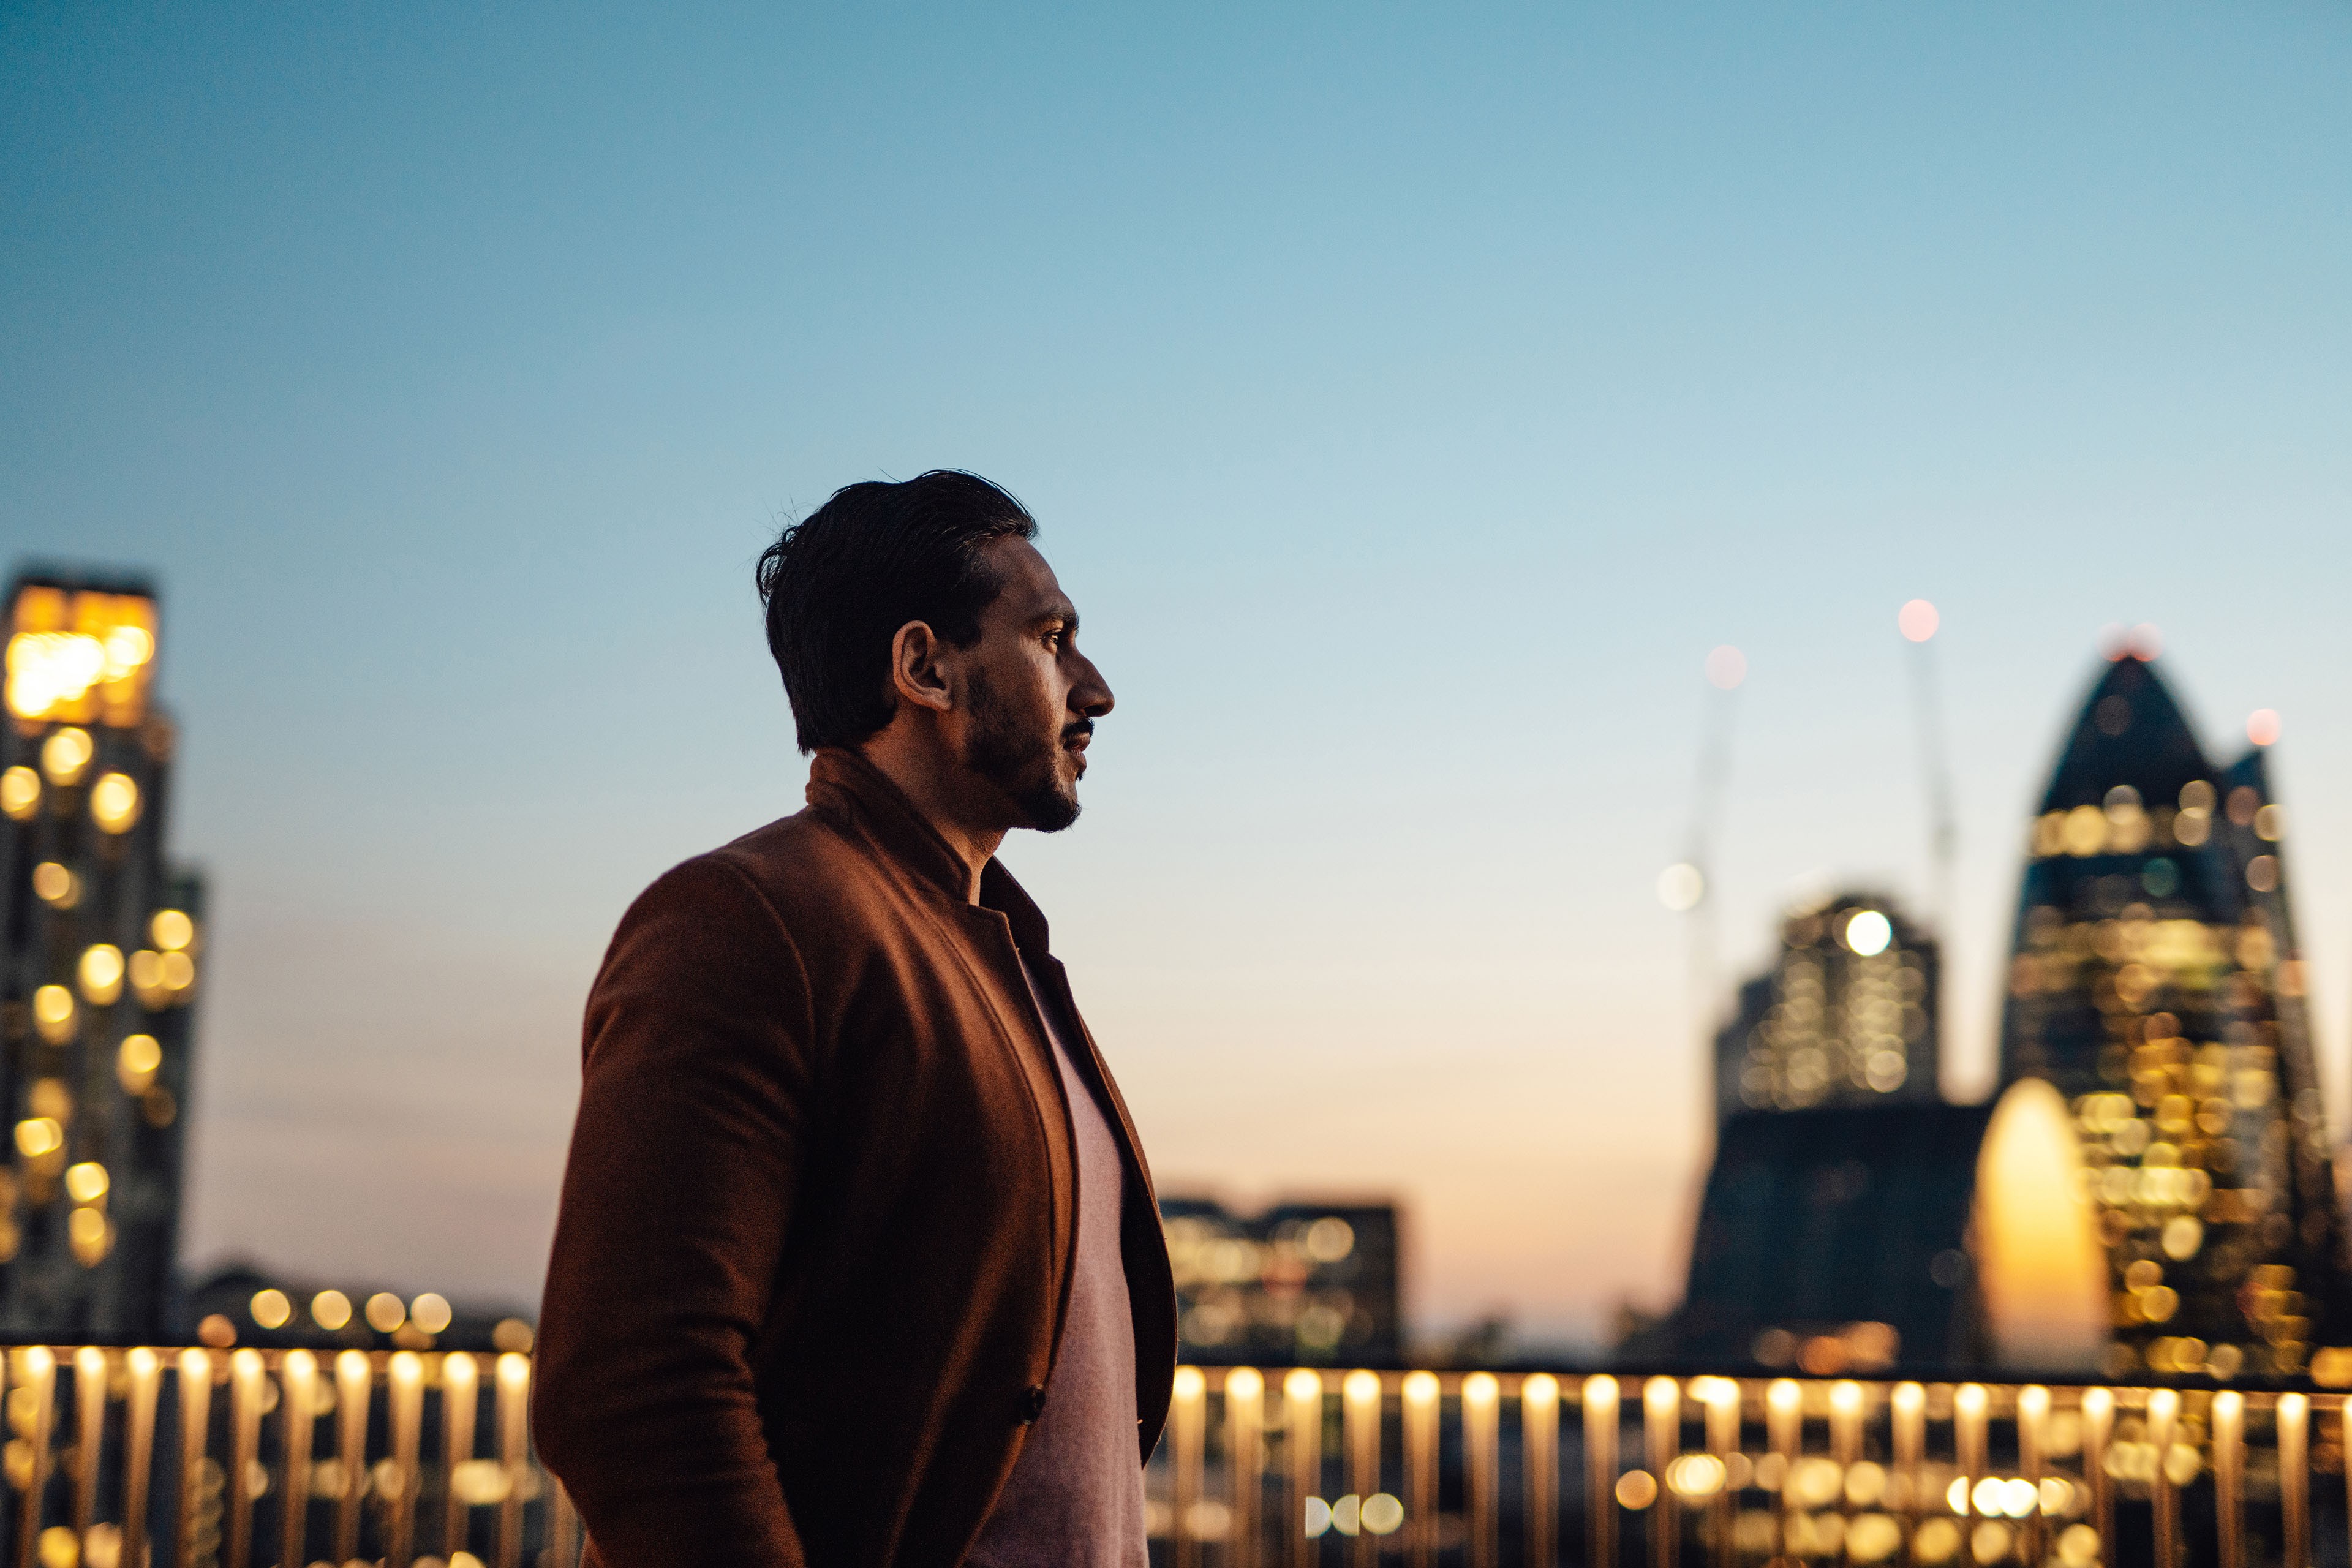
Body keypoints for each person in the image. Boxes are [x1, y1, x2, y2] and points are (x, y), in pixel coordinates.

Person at [533, 471, 1175, 1566]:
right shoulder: (748, 917)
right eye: (1052, 637)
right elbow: (633, 1389)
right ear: (924, 666)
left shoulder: (1000, 952)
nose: (1098, 688)